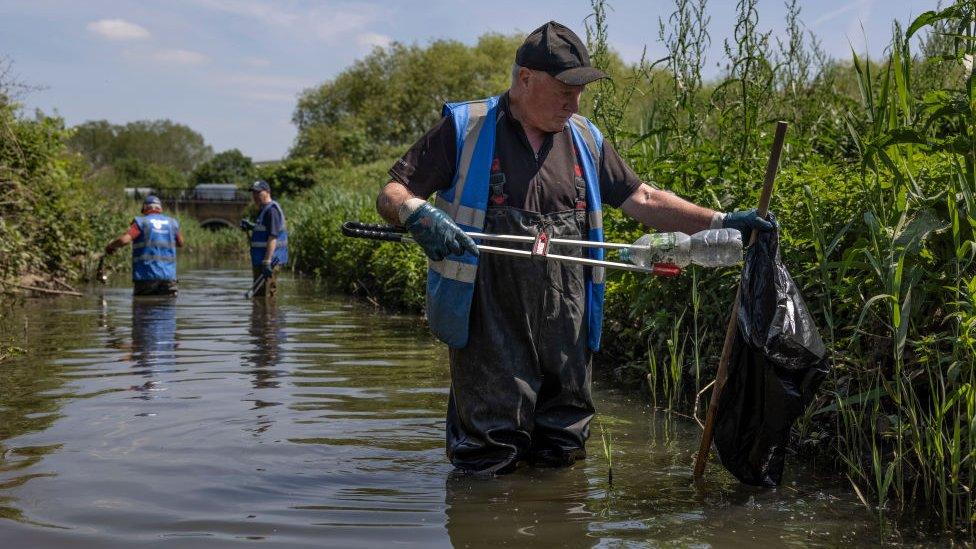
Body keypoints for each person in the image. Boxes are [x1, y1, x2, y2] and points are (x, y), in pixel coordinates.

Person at [375, 21, 775, 477]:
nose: (575, 101)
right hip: (488, 323)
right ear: (525, 79)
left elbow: (641, 198)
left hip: (568, 324)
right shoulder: (467, 127)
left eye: (580, 90)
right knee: (489, 455)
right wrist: (415, 213)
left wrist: (719, 221)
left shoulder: (585, 137)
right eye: (565, 88)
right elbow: (392, 190)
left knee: (563, 449)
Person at [104, 195, 184, 296]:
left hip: (146, 278)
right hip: (168, 279)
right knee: (167, 307)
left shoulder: (141, 222)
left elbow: (124, 240)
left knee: (143, 306)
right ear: (160, 209)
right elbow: (180, 243)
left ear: (145, 208)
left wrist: (110, 246)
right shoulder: (172, 223)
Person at [241, 180, 288, 298]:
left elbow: (273, 237)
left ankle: (269, 316)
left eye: (258, 192)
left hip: (270, 262)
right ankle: (261, 316)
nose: (255, 196)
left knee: (267, 297)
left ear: (267, 192)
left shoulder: (272, 210)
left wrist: (267, 262)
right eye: (253, 193)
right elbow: (265, 230)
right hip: (261, 261)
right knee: (260, 296)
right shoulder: (264, 209)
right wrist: (252, 227)